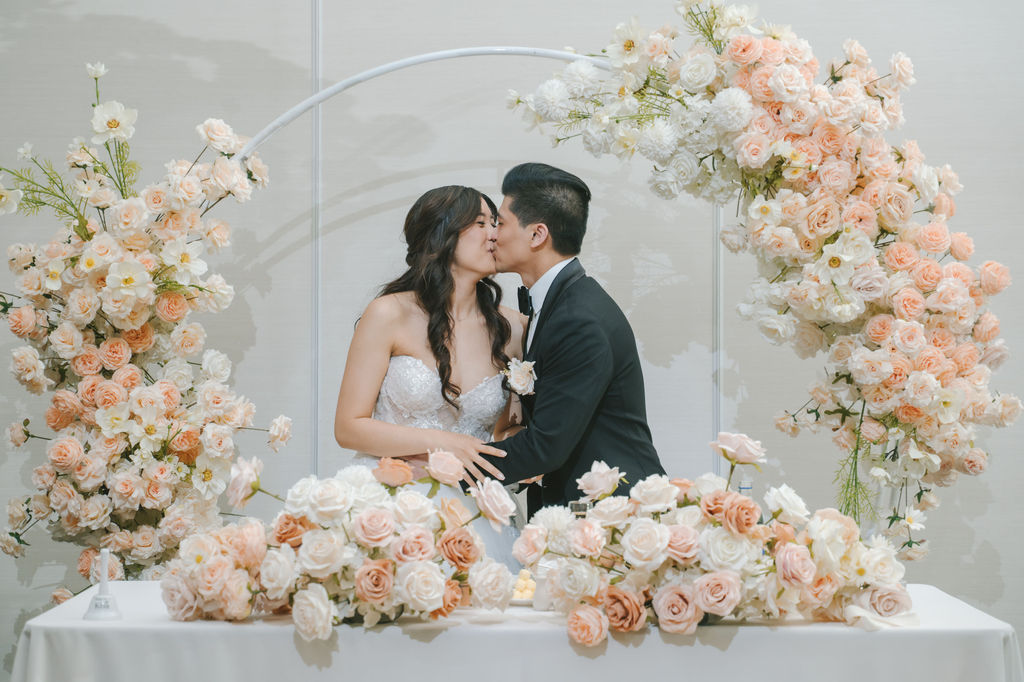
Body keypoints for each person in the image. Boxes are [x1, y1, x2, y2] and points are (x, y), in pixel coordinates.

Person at [333, 185, 527, 565]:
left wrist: (523, 449)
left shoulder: (514, 329)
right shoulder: (388, 314)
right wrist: (442, 443)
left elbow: (507, 429)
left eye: (495, 223)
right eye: (481, 223)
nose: (494, 234)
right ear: (442, 234)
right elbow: (348, 427)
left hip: (473, 511)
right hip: (391, 500)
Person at [487, 162, 666, 513]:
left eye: (501, 223)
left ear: (537, 235)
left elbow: (545, 447)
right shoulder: (561, 302)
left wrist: (447, 471)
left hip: (614, 514)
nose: (493, 235)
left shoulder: (578, 318)